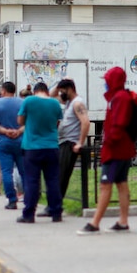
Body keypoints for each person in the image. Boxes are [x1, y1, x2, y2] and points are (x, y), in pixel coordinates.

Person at [78, 68, 134, 234]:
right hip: (122, 148)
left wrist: (107, 143)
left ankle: (95, 223)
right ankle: (123, 222)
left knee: (105, 185)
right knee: (121, 184)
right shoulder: (121, 97)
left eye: (107, 79)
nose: (105, 83)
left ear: (113, 81)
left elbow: (118, 124)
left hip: (115, 150)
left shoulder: (119, 98)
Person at [41, 79, 90, 216]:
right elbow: (49, 96)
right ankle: (54, 206)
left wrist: (80, 142)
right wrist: (58, 85)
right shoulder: (69, 102)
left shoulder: (77, 103)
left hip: (70, 143)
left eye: (63, 91)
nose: (60, 93)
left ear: (70, 89)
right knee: (58, 175)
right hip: (63, 142)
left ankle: (54, 207)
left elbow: (85, 122)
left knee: (60, 176)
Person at [16, 82, 63, 223]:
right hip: (52, 146)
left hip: (32, 147)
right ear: (47, 91)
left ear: (35, 91)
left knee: (32, 181)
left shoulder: (29, 100)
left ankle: (29, 214)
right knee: (53, 180)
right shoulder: (55, 103)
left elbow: (20, 121)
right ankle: (56, 213)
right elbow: (57, 123)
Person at [0, 82, 25, 210]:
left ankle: (12, 200)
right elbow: (29, 121)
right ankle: (28, 197)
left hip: (3, 141)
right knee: (24, 171)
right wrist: (18, 131)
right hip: (21, 140)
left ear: (3, 91)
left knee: (6, 171)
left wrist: (3, 131)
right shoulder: (22, 103)